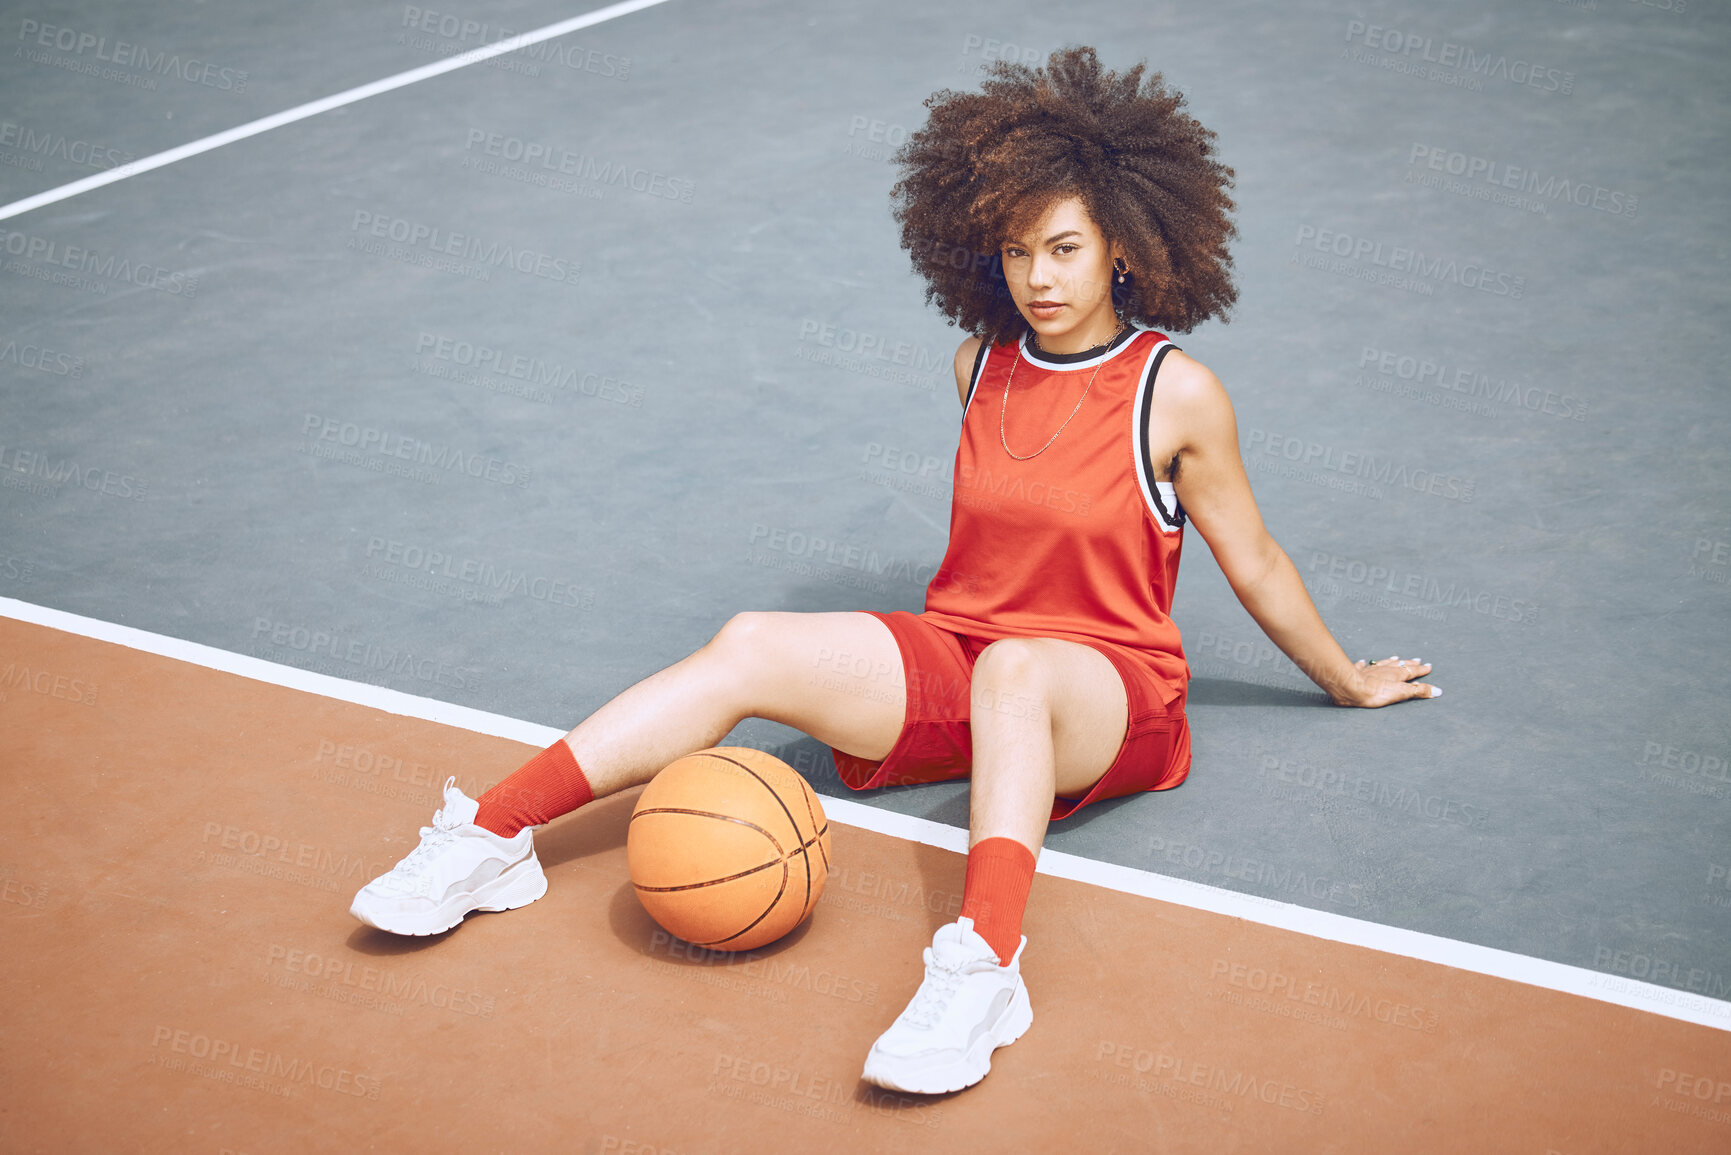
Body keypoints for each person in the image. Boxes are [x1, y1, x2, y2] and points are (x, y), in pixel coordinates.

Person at [350, 46, 1439, 1096]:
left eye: (1063, 248)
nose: (1038, 277)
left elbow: (1251, 558)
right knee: (750, 643)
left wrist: (1345, 678)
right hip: (969, 659)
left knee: (1017, 671)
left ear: (1123, 245)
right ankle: (491, 838)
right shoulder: (978, 365)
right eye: (1016, 252)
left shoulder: (1176, 391)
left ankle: (982, 971)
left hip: (1112, 694)